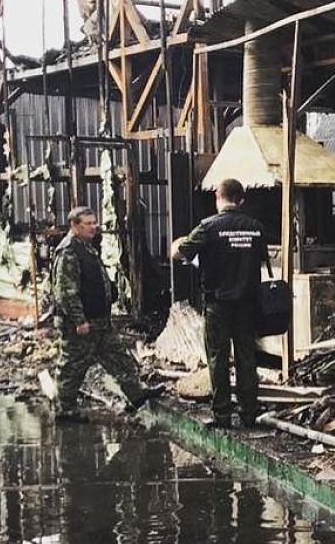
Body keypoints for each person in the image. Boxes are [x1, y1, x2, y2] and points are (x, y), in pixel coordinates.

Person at [172, 178, 269, 429]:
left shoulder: (208, 227)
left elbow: (180, 253)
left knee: (218, 357)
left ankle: (222, 416)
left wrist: (177, 245)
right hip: (248, 303)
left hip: (218, 304)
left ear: (218, 196)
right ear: (241, 200)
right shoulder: (256, 227)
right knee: (247, 357)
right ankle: (249, 414)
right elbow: (259, 260)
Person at [52, 206, 159, 422]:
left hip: (100, 322)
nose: (94, 227)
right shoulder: (69, 251)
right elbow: (65, 292)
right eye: (89, 223)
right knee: (72, 366)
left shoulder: (87, 248)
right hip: (81, 325)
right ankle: (65, 411)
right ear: (75, 225)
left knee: (119, 357)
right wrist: (79, 321)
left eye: (95, 222)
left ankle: (136, 395)